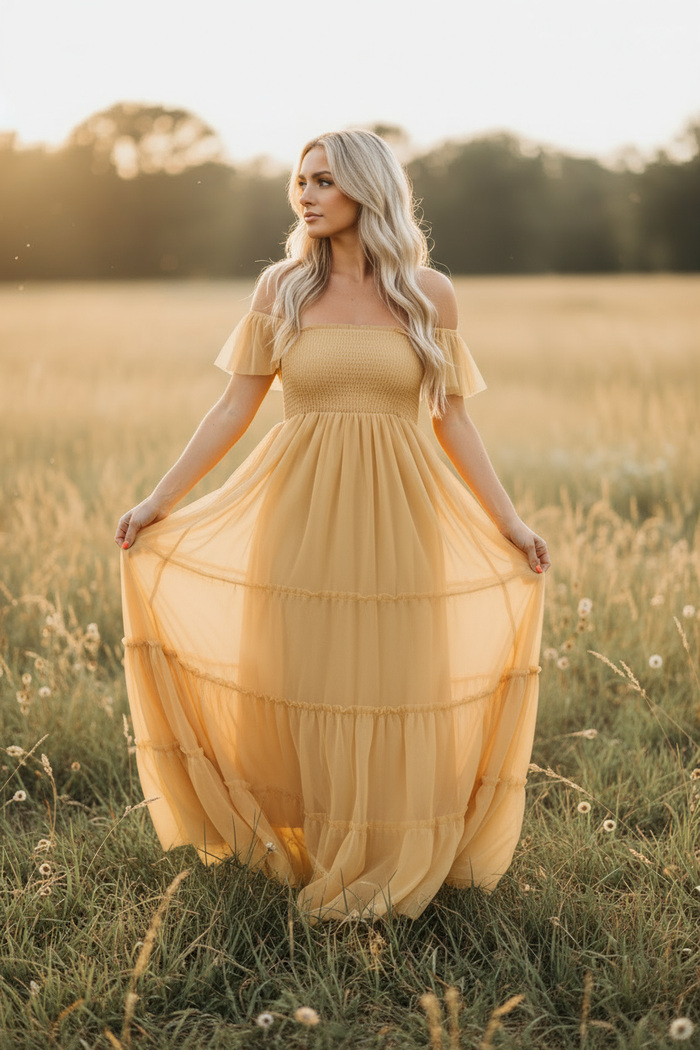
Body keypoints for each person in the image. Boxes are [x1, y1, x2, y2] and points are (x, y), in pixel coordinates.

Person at [115, 128, 550, 923]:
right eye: (300, 181)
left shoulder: (429, 293)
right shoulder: (282, 288)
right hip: (301, 511)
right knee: (300, 675)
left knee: (393, 678)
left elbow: (455, 423)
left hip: (401, 514)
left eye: (323, 181)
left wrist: (511, 522)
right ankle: (308, 843)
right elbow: (233, 408)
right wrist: (159, 500)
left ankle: (385, 851)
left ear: (366, 190)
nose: (306, 195)